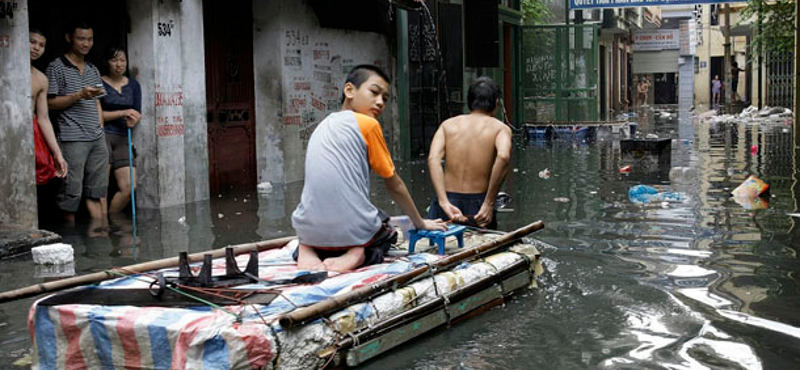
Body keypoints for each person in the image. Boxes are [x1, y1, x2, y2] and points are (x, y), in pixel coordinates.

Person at [291, 64, 447, 272]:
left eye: (385, 98)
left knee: (339, 219)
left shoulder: (323, 124)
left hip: (307, 228)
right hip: (349, 229)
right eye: (374, 92)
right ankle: (357, 252)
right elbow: (394, 184)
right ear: (349, 91)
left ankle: (306, 249)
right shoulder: (367, 124)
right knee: (386, 230)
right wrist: (419, 222)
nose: (380, 102)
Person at [426, 76, 512, 230]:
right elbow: (504, 156)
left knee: (436, 251)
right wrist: (489, 203)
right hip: (478, 205)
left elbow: (433, 159)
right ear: (496, 103)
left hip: (447, 203)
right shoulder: (500, 128)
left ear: (470, 102)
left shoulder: (447, 125)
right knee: (483, 252)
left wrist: (443, 201)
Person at [46, 21, 108, 222]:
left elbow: (98, 103)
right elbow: (49, 104)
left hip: (97, 139)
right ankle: (70, 241)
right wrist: (78, 95)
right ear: (69, 38)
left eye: (89, 39)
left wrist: (100, 128)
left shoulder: (93, 69)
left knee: (96, 192)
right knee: (70, 195)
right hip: (72, 138)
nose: (86, 43)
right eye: (81, 38)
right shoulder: (56, 67)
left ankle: (99, 244)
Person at [100, 46, 141, 213]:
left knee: (129, 186)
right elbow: (97, 115)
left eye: (122, 60)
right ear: (107, 62)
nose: (119, 64)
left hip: (124, 137)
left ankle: (112, 219)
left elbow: (137, 111)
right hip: (103, 136)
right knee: (101, 187)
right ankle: (102, 230)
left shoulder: (133, 85)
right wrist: (122, 113)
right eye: (114, 60)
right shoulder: (99, 83)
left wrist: (134, 119)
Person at [29, 29, 68, 184]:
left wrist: (57, 153)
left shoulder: (41, 79)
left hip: (29, 131)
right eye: (32, 42)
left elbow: (43, 118)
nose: (36, 48)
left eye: (41, 45)